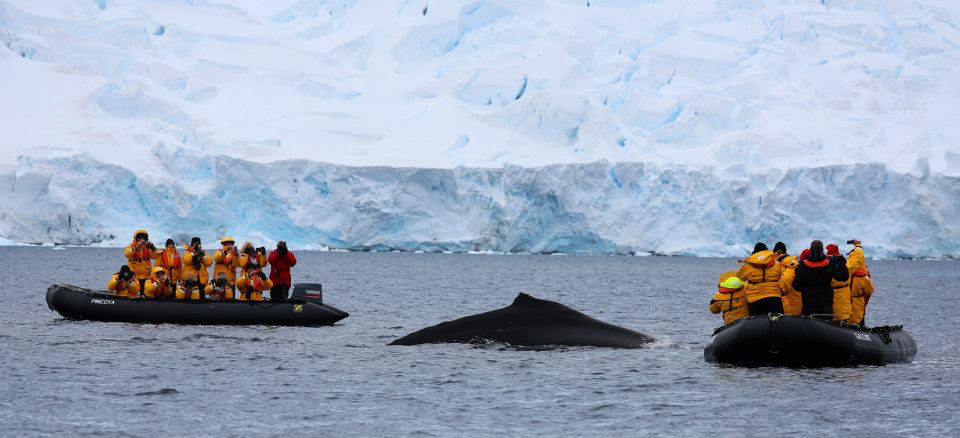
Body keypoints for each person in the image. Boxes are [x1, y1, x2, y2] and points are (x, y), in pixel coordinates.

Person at [792, 240, 849, 315]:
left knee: (809, 324)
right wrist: (840, 261)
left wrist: (806, 289)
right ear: (822, 250)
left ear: (810, 249)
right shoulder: (828, 264)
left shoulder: (802, 266)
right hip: (825, 304)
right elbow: (843, 277)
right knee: (826, 323)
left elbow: (796, 286)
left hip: (808, 303)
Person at [736, 242, 784, 315]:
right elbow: (780, 276)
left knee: (756, 324)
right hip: (774, 298)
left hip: (755, 300)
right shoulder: (776, 264)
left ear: (754, 253)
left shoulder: (747, 266)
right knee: (779, 323)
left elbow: (739, 277)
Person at [846, 240, 875, 326]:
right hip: (859, 307)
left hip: (846, 307)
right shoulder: (863, 277)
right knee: (859, 325)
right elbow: (870, 290)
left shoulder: (846, 273)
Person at [826, 243, 852, 322]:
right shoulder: (847, 265)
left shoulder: (825, 265)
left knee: (830, 319)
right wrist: (858, 248)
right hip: (843, 297)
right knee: (843, 318)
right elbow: (857, 260)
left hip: (829, 297)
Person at [778, 249, 803, 315]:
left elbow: (779, 295)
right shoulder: (801, 269)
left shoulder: (784, 277)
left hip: (789, 312)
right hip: (802, 309)